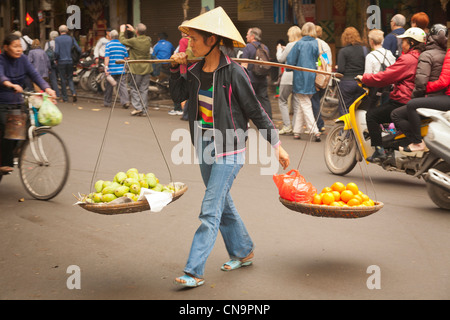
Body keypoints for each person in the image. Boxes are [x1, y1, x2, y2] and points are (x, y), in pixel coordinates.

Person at [169, 7, 289, 288]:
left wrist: (277, 145)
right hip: (204, 145)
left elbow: (256, 110)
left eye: (195, 39)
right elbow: (177, 97)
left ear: (212, 41)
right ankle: (243, 250)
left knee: (210, 208)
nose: (190, 44)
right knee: (222, 203)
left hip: (229, 149)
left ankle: (193, 271)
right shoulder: (196, 71)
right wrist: (175, 67)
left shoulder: (234, 73)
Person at [357, 27, 426, 163]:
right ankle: (389, 146)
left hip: (403, 99)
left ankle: (379, 151)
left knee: (372, 116)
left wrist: (364, 78)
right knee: (387, 118)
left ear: (411, 43)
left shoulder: (408, 59)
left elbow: (386, 76)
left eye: (404, 41)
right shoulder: (423, 57)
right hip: (417, 99)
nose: (402, 44)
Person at [0, 34, 56, 173]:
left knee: (26, 126)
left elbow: (35, 75)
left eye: (20, 46)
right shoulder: (1, 60)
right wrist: (10, 84)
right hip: (3, 102)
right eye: (15, 46)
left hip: (18, 101)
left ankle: (15, 152)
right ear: (6, 47)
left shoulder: (23, 60)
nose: (19, 49)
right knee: (6, 129)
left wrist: (47, 88)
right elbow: (1, 76)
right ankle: (3, 162)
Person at [391, 24, 448, 156]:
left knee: (396, 114)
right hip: (441, 98)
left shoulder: (426, 55)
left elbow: (421, 83)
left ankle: (417, 141)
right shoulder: (445, 54)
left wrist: (414, 97)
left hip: (432, 98)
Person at [286, 22, 321, 142]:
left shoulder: (299, 44)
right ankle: (297, 131)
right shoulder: (317, 43)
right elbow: (322, 58)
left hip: (300, 77)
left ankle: (314, 131)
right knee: (304, 102)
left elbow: (290, 61)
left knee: (305, 104)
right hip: (312, 76)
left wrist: (288, 68)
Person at [119, 23, 152, 116]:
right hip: (147, 68)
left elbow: (122, 40)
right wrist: (134, 30)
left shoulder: (134, 41)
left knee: (134, 88)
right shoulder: (148, 39)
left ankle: (138, 107)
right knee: (144, 90)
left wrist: (122, 31)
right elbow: (140, 35)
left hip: (136, 69)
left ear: (137, 32)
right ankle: (144, 110)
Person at [241, 27, 272, 119]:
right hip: (262, 79)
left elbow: (244, 65)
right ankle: (268, 121)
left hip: (251, 79)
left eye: (247, 34)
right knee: (264, 100)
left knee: (247, 100)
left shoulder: (248, 47)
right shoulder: (265, 47)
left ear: (253, 36)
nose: (246, 36)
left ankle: (245, 121)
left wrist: (242, 79)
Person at [276, 25, 302, 135]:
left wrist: (279, 50)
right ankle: (296, 127)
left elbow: (280, 59)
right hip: (299, 77)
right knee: (296, 103)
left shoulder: (290, 45)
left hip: (288, 76)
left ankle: (287, 126)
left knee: (282, 100)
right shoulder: (302, 45)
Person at [336, 27, 367, 116]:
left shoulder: (343, 51)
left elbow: (341, 70)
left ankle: (347, 129)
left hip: (347, 83)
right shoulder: (364, 49)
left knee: (345, 108)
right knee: (358, 108)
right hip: (360, 82)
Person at [364, 29, 396, 108]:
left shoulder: (370, 56)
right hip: (389, 88)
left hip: (376, 90)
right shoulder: (389, 53)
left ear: (371, 41)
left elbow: (367, 76)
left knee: (373, 112)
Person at [311, 25, 332, 133]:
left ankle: (319, 124)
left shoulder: (315, 43)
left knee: (314, 100)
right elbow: (327, 62)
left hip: (317, 76)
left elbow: (321, 62)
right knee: (317, 101)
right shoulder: (325, 44)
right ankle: (318, 123)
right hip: (325, 77)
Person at [103, 29, 130, 109]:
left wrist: (106, 67)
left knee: (109, 86)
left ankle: (107, 102)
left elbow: (107, 57)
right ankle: (125, 102)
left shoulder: (108, 45)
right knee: (122, 86)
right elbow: (126, 58)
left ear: (110, 37)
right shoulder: (122, 45)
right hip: (121, 69)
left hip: (111, 69)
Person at [54, 25, 81, 103]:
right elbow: (78, 49)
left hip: (61, 61)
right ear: (67, 31)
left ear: (59, 31)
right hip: (70, 61)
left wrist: (56, 58)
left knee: (62, 79)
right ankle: (74, 92)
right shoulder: (71, 39)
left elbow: (56, 51)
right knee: (70, 78)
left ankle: (65, 98)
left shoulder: (57, 39)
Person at [44, 30, 61, 99]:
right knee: (59, 78)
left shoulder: (47, 44)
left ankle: (56, 94)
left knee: (53, 79)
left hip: (51, 63)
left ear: (50, 37)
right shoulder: (59, 43)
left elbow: (45, 54)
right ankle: (60, 93)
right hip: (59, 62)